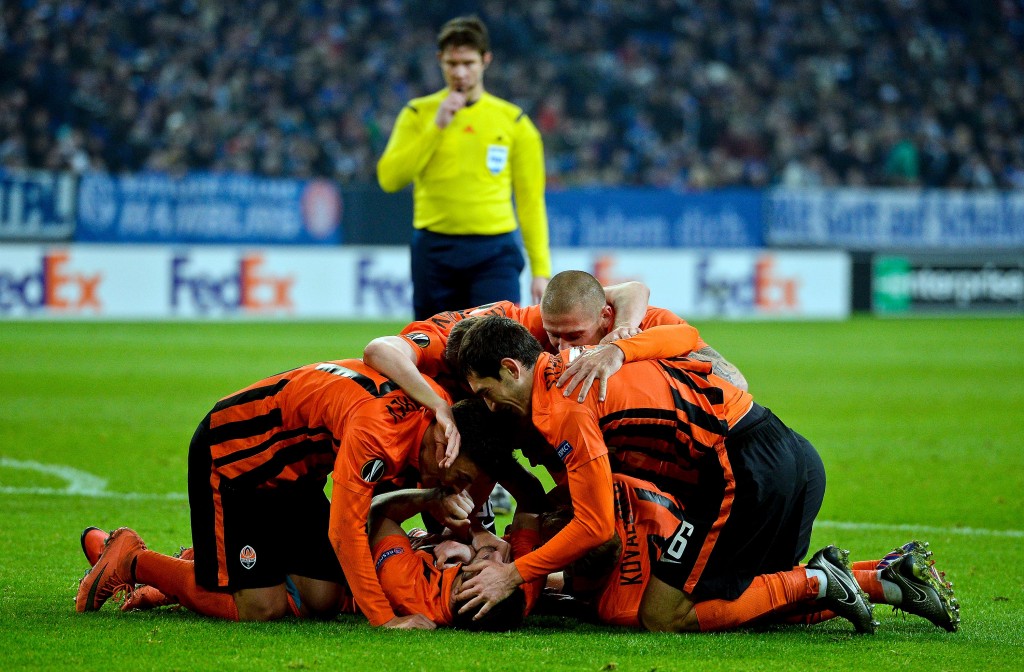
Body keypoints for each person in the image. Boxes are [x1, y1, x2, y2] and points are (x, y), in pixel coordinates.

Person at [450, 315, 826, 631]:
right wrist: (618, 349)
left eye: (486, 392)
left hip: (741, 465)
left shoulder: (562, 408)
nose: (491, 405)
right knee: (756, 595)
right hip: (771, 443)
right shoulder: (574, 360)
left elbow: (595, 527)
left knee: (662, 615)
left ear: (511, 369)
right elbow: (686, 336)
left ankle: (823, 580)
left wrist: (512, 574)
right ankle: (877, 579)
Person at [75, 359, 510, 629]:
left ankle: (198, 565)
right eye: (461, 478)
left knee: (320, 598)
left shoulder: (435, 407)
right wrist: (386, 619)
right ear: (443, 443)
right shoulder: (376, 434)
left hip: (295, 476)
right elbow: (346, 528)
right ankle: (134, 560)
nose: (458, 489)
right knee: (260, 610)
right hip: (234, 459)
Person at [363, 270, 743, 465]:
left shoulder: (629, 325)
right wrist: (439, 406)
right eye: (554, 337)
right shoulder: (475, 337)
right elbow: (380, 349)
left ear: (604, 319)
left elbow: (632, 292)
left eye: (573, 336)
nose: (563, 347)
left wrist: (625, 342)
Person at [535, 474, 959, 633]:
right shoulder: (610, 483)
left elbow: (572, 588)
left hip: (732, 533)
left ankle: (818, 579)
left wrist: (536, 574)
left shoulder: (619, 605)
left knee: (674, 617)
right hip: (749, 496)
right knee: (743, 588)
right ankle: (884, 579)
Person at [377, 15, 551, 319]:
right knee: (436, 353)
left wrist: (541, 270)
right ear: (439, 61)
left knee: (496, 349)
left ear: (486, 60)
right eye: (451, 63)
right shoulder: (418, 114)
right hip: (434, 251)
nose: (460, 72)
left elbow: (530, 200)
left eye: (468, 63)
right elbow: (390, 179)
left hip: (495, 252)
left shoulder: (514, 122)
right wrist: (437, 127)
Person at [367, 486, 527, 631]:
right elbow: (530, 501)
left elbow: (378, 511)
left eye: (489, 568)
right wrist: (470, 542)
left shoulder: (406, 584)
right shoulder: (512, 588)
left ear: (459, 592)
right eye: (505, 566)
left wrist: (434, 496)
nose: (499, 556)